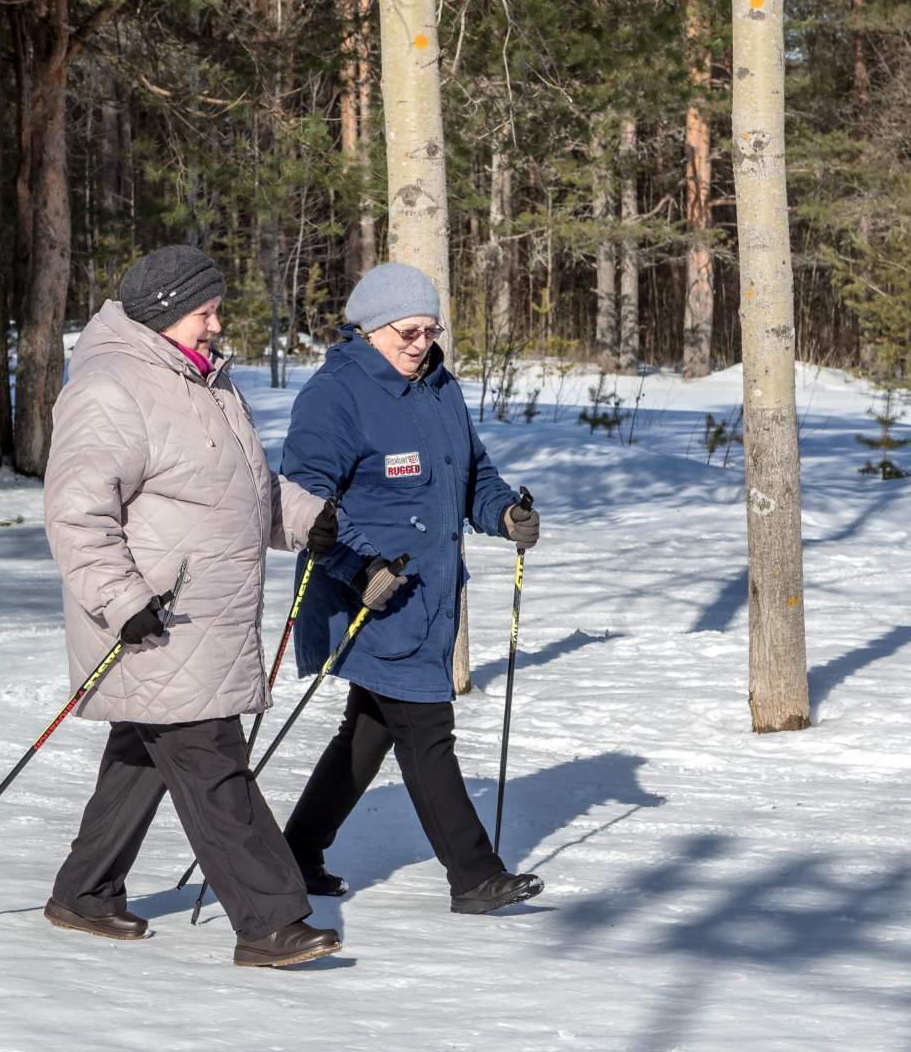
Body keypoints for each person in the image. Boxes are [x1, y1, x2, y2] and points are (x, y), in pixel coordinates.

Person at [41, 244, 346, 967]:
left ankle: (84, 892)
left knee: (142, 757)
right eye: (203, 312)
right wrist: (122, 602)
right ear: (160, 314)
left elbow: (235, 485)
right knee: (213, 765)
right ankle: (271, 921)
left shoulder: (201, 380)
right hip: (156, 621)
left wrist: (302, 518)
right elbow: (77, 514)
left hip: (204, 613)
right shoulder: (111, 389)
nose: (215, 323)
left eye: (215, 310)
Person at [278, 262, 545, 915]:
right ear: (368, 328)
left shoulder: (438, 388)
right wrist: (358, 566)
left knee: (370, 730)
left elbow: (471, 473)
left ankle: (294, 855)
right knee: (426, 728)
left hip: (427, 599)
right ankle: (475, 876)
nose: (420, 343)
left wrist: (504, 512)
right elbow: (303, 503)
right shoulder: (335, 395)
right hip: (367, 598)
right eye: (406, 332)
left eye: (429, 331)